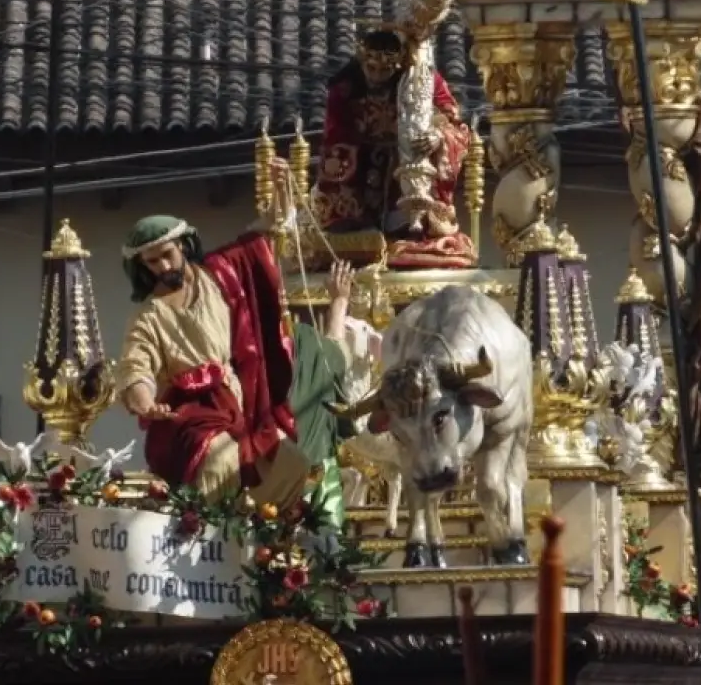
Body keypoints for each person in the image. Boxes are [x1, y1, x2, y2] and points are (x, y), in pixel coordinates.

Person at [116, 160, 310, 509]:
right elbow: (135, 365)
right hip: (189, 417)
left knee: (293, 461)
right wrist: (145, 401)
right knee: (221, 461)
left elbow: (265, 229)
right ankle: (201, 541)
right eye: (152, 262)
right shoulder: (148, 315)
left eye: (166, 256)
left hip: (241, 401)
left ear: (184, 246)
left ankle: (254, 532)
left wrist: (282, 188)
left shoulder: (220, 273)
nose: (162, 267)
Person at [311, 29, 474, 269]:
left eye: (385, 70)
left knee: (415, 209)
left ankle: (415, 233)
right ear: (361, 62)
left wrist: (438, 136)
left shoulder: (424, 80)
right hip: (363, 165)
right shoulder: (344, 89)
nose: (377, 77)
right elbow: (336, 137)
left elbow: (456, 125)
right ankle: (359, 228)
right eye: (371, 69)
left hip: (412, 159)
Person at [286, 260, 360, 529]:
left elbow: (331, 356)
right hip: (300, 482)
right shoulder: (301, 345)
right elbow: (334, 356)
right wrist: (339, 302)